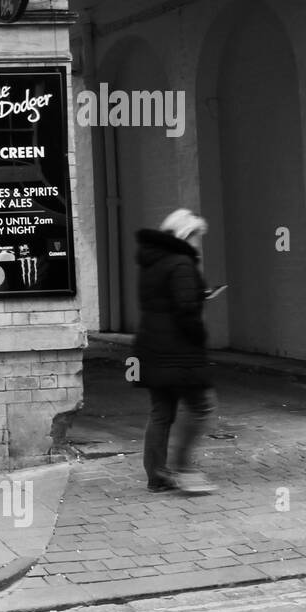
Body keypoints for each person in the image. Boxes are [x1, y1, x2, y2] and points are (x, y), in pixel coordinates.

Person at [132, 209, 217, 496]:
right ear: (185, 234)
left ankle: (157, 476)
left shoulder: (151, 262)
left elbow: (161, 302)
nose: (197, 242)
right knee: (201, 406)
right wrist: (199, 334)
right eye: (195, 236)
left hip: (151, 346)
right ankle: (184, 469)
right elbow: (185, 309)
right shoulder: (181, 263)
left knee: (161, 412)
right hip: (178, 349)